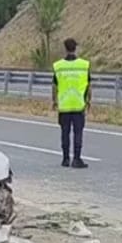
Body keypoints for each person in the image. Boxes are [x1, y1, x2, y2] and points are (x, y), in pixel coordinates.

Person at [51, 38, 91, 169]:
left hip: (64, 106)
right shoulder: (84, 65)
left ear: (65, 48)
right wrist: (89, 100)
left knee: (65, 132)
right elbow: (89, 85)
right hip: (79, 105)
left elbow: (54, 86)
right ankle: (77, 159)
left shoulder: (59, 66)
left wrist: (54, 101)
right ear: (76, 48)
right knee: (78, 132)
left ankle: (65, 159)